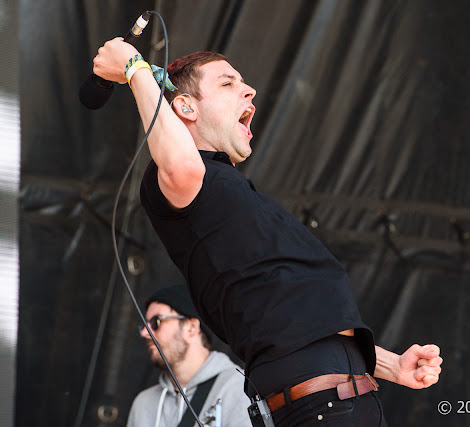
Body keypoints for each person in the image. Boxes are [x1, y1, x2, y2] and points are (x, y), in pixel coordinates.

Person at [93, 38, 442, 426]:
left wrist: (391, 365)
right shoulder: (184, 181)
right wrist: (134, 67)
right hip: (318, 403)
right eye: (227, 83)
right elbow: (178, 165)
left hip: (341, 395)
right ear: (185, 107)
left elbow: (292, 315)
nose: (249, 89)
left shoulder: (232, 193)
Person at [127, 284, 252, 427]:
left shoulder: (239, 389)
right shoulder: (143, 404)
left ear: (191, 328)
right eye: (144, 325)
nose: (144, 333)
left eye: (156, 322)